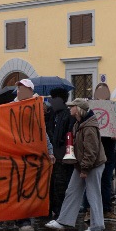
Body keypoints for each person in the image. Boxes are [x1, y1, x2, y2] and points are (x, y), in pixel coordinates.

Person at [45, 98, 107, 231]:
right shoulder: (79, 124)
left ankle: (97, 226)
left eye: (72, 106)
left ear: (78, 109)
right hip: (82, 165)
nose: (69, 108)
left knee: (93, 194)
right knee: (72, 191)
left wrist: (85, 169)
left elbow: (91, 151)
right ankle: (64, 221)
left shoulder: (88, 127)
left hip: (91, 165)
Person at [13, 78, 55, 231]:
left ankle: (24, 219)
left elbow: (42, 131)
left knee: (27, 188)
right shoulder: (10, 107)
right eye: (19, 88)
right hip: (15, 154)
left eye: (24, 88)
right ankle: (21, 219)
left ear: (30, 91)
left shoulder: (35, 107)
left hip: (31, 155)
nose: (20, 91)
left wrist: (49, 151)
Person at [86, 83, 116, 223]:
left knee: (106, 182)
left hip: (108, 151)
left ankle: (106, 210)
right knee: (91, 182)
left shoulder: (113, 108)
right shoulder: (89, 108)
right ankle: (89, 211)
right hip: (93, 151)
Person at [47, 88, 75, 220]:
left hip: (62, 157)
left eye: (53, 98)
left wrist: (67, 154)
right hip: (53, 156)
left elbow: (69, 136)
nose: (50, 101)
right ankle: (52, 210)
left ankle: (61, 214)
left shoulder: (68, 115)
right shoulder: (52, 114)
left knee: (61, 185)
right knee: (52, 185)